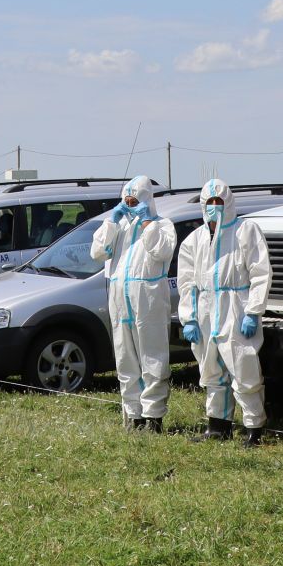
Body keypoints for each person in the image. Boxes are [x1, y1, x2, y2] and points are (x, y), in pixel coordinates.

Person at [178, 179, 271, 445]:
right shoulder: (193, 240)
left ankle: (254, 429)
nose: (215, 207)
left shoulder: (245, 231)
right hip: (207, 309)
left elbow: (261, 272)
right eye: (210, 202)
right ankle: (218, 427)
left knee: (244, 367)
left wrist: (253, 311)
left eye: (219, 202)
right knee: (211, 369)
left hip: (236, 307)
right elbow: (186, 283)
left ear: (229, 203)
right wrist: (190, 318)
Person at [91, 175, 179, 432]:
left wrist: (148, 222)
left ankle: (153, 417)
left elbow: (161, 251)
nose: (130, 204)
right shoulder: (119, 227)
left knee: (152, 356)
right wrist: (112, 221)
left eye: (134, 200)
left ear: (146, 200)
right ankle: (133, 415)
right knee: (125, 357)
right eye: (126, 200)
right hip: (119, 299)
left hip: (148, 298)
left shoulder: (163, 225)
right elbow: (97, 253)